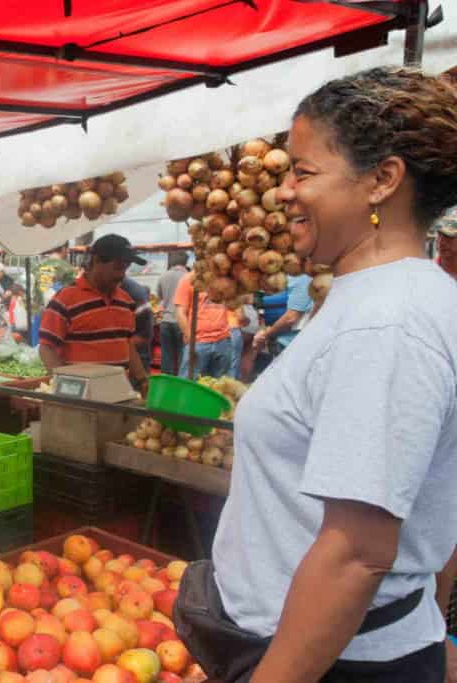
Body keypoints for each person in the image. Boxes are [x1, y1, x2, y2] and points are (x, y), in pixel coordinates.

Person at [193, 67, 457, 683]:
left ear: (382, 181)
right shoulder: (389, 299)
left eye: (303, 172)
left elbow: (357, 554)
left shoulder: (386, 323)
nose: (284, 191)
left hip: (328, 664)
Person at [37, 234, 150, 394]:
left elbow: (127, 344)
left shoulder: (126, 302)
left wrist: (142, 379)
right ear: (96, 261)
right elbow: (46, 348)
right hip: (81, 399)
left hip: (119, 394)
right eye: (117, 267)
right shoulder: (66, 299)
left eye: (125, 268)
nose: (122, 275)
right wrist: (67, 388)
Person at [173, 272, 231, 379]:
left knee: (221, 385)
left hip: (223, 340)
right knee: (189, 384)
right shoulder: (189, 279)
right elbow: (180, 313)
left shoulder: (223, 277)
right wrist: (191, 341)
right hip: (199, 342)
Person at [252, 273, 313, 354]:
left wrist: (265, 335)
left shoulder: (301, 277)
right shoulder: (272, 277)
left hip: (295, 341)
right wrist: (262, 331)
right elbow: (261, 310)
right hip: (277, 340)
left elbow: (291, 318)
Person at [156, 251, 189, 375]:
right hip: (183, 322)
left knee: (166, 355)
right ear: (185, 262)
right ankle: (181, 382)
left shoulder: (163, 276)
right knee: (183, 354)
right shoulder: (189, 276)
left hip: (166, 320)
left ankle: (166, 382)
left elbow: (159, 296)